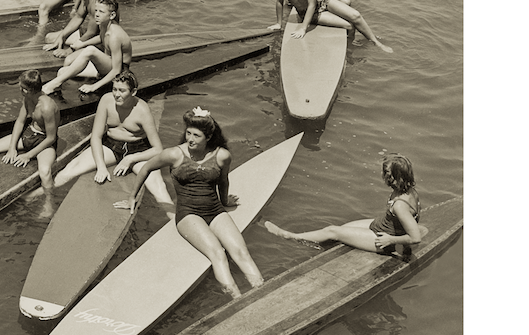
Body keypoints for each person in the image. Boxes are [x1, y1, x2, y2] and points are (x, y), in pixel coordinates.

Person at [112, 106, 264, 300]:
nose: (190, 139)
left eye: (196, 136)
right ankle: (238, 300)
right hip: (188, 213)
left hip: (215, 210)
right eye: (188, 133)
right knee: (218, 254)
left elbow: (223, 181)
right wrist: (132, 197)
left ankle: (262, 293)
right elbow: (146, 169)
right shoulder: (174, 155)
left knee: (242, 253)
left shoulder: (222, 155)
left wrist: (225, 202)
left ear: (208, 137)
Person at [50, 72, 174, 217]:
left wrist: (130, 159)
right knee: (70, 170)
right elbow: (96, 136)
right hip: (111, 145)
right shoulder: (106, 100)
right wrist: (101, 167)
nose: (116, 94)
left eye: (122, 91)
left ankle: (175, 223)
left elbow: (158, 149)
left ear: (133, 92)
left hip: (138, 149)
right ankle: (39, 195)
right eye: (114, 89)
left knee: (157, 186)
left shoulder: (142, 110)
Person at [263, 154, 423, 258]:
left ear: (393, 177)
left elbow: (416, 238)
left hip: (383, 240)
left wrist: (390, 240)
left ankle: (289, 236)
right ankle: (319, 249)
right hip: (383, 226)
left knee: (332, 230)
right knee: (342, 229)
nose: (382, 176)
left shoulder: (400, 206)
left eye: (385, 173)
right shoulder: (409, 190)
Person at [0, 69, 62, 217]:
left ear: (29, 90)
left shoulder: (47, 107)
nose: (20, 89)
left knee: (45, 172)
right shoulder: (27, 98)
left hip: (44, 140)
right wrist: (12, 148)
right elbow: (20, 121)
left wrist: (28, 155)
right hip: (29, 134)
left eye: (22, 87)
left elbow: (51, 138)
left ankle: (49, 204)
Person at [42, 0, 132, 96]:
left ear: (112, 15)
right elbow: (101, 37)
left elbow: (117, 70)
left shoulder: (115, 36)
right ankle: (57, 87)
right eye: (96, 10)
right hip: (106, 66)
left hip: (120, 72)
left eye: (101, 12)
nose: (97, 14)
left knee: (90, 50)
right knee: (62, 72)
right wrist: (82, 43)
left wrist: (94, 86)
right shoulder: (104, 24)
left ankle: (55, 83)